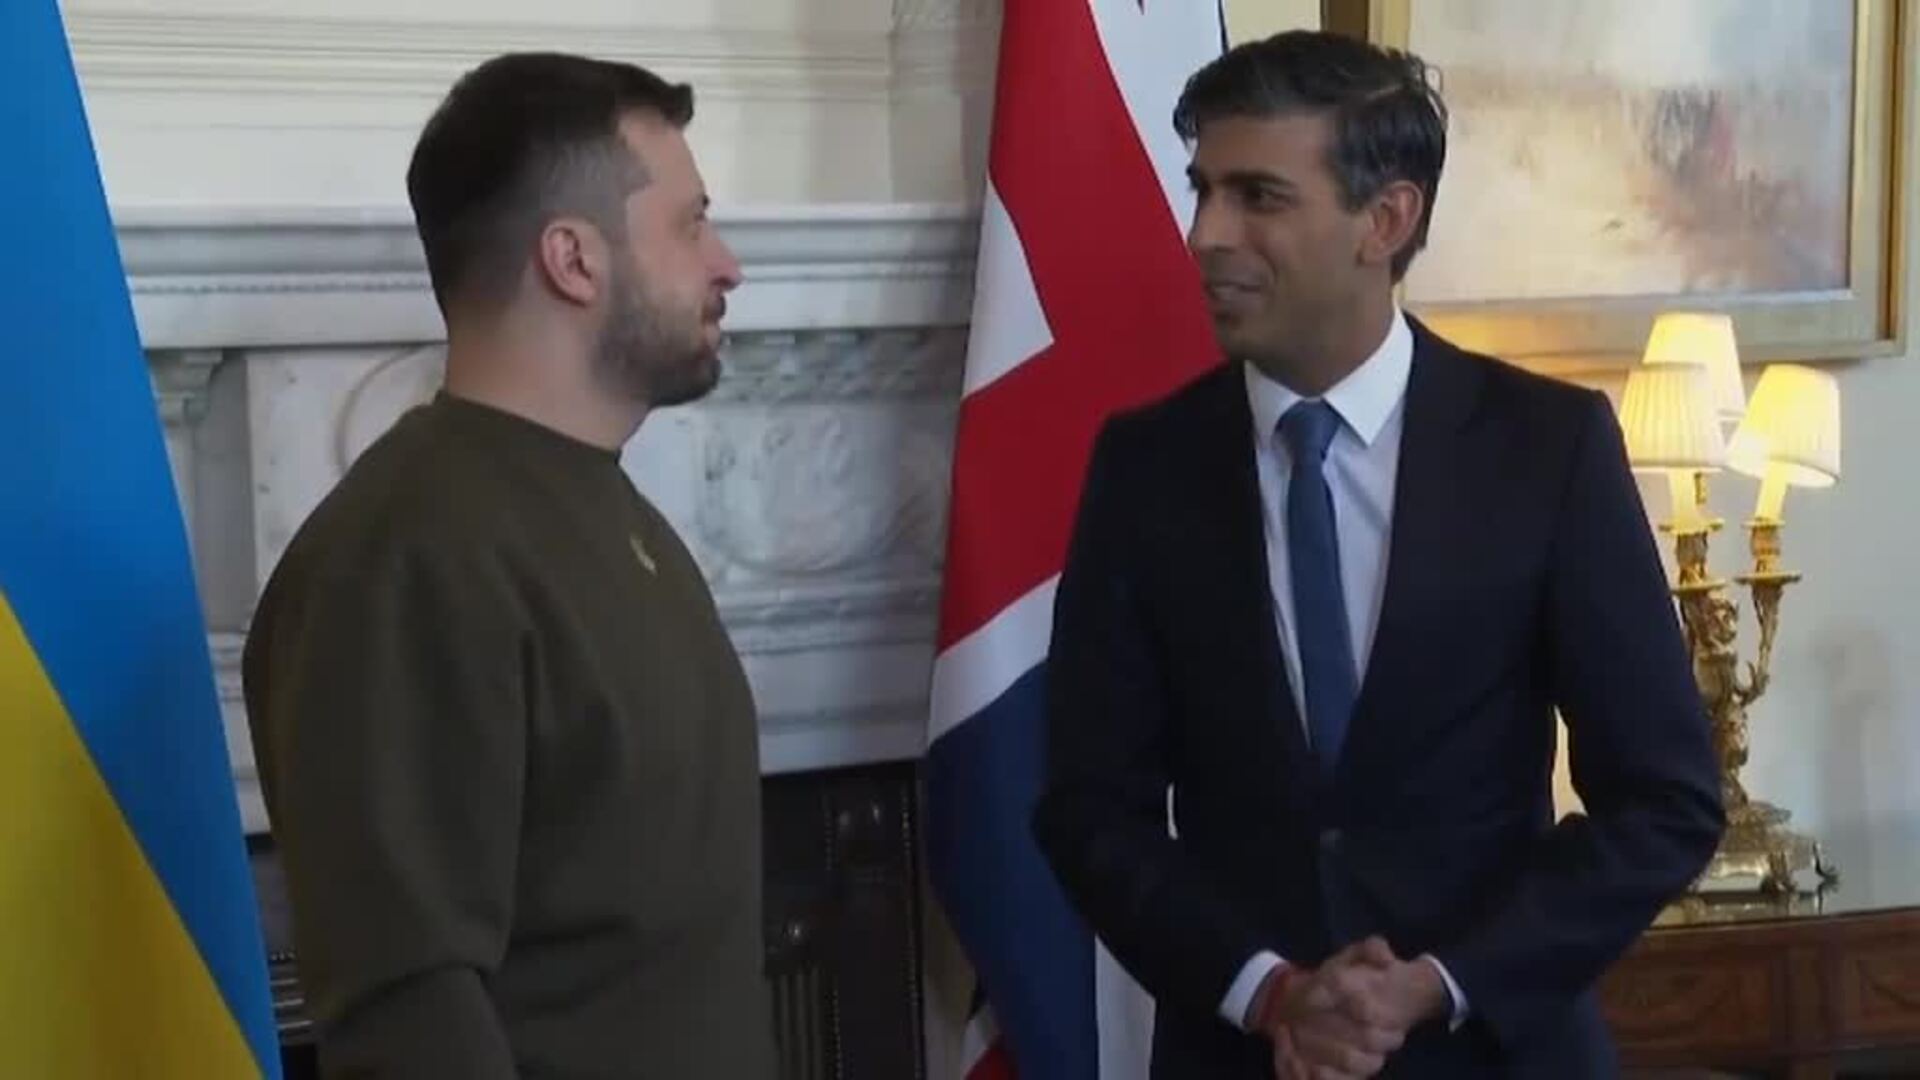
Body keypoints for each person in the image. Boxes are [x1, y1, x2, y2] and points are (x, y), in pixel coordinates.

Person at [1032, 30, 1724, 1079]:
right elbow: (1089, 809)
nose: (1206, 235)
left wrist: (1440, 980)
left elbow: (1666, 799)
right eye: (1203, 190)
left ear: (1386, 219)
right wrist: (1269, 990)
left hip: (1496, 1055)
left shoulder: (1548, 449)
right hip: (1242, 1057)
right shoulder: (1145, 467)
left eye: (1258, 197)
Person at [241, 52, 773, 1078]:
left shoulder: (613, 512)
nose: (727, 264)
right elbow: (407, 1011)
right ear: (572, 260)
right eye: (690, 224)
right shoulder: (403, 557)